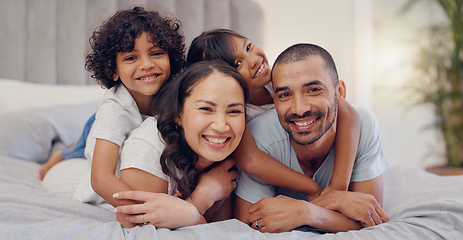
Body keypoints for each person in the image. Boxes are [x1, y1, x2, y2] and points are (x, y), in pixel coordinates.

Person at [41, 6, 186, 227]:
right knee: (82, 144)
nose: (147, 64)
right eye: (131, 58)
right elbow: (101, 179)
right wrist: (145, 210)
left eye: (156, 53)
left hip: (130, 127)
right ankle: (60, 155)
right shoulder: (115, 109)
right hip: (98, 131)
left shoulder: (175, 93)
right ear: (114, 70)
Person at [186, 29, 361, 200]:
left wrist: (339, 187)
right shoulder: (236, 111)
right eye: (238, 64)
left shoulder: (278, 77)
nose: (253, 61)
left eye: (248, 47)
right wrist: (312, 188)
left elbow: (347, 111)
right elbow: (250, 160)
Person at [234, 43, 390, 233]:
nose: (299, 109)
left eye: (314, 90)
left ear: (339, 92)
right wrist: (317, 208)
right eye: (285, 94)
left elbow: (371, 220)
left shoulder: (363, 124)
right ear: (274, 101)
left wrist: (306, 212)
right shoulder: (259, 139)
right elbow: (249, 229)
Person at [113, 60, 248, 228]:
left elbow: (219, 231)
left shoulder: (230, 162)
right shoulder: (147, 148)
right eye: (206, 109)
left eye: (234, 111)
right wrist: (200, 200)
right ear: (178, 113)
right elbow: (134, 232)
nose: (221, 126)